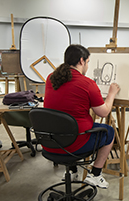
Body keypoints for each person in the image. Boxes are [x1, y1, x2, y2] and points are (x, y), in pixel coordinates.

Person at [44, 44, 120, 189]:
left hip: (50, 142)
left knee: (67, 125)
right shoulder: (87, 83)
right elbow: (103, 112)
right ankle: (96, 174)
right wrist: (111, 94)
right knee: (109, 131)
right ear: (81, 61)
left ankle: (72, 171)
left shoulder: (51, 78)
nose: (87, 66)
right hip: (74, 145)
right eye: (88, 62)